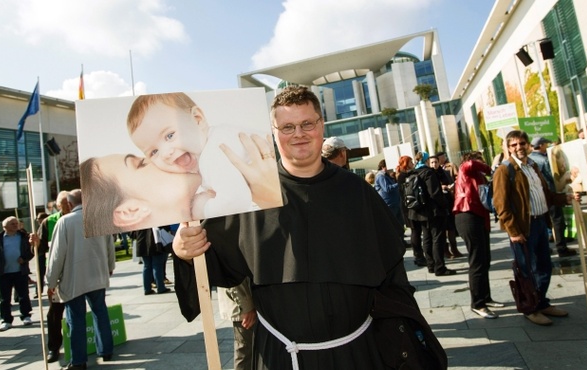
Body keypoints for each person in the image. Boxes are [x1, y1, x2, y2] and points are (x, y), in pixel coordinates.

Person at [172, 86, 446, 369]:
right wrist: (183, 250)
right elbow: (211, 264)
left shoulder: (357, 192)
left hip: (357, 354)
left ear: (321, 125)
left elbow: (393, 278)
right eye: (287, 126)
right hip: (280, 355)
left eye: (307, 124)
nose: (298, 134)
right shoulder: (247, 194)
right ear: (273, 132)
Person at [80, 134, 282, 237]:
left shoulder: (224, 165)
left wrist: (273, 193)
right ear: (130, 211)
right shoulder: (208, 221)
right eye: (142, 162)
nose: (159, 157)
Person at [127, 92, 275, 219]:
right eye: (154, 152)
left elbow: (235, 202)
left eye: (170, 135)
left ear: (197, 119)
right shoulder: (214, 141)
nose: (165, 153)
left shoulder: (213, 153)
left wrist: (201, 208)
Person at [493, 130, 576, 326]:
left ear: (528, 145)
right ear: (508, 148)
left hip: (540, 223)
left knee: (544, 266)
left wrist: (566, 198)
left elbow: (545, 194)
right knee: (526, 271)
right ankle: (530, 308)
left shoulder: (533, 166)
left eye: (522, 143)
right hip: (523, 227)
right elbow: (501, 205)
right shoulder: (504, 170)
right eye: (514, 145)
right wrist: (513, 232)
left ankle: (542, 302)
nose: (519, 147)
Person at [45, 189, 116, 369]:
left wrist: (51, 282)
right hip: (96, 274)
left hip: (74, 277)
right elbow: (110, 246)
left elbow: (56, 256)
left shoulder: (65, 222)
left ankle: (78, 361)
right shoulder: (98, 218)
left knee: (75, 318)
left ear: (69, 204)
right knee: (100, 311)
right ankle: (106, 350)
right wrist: (109, 267)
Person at [453, 152, 504, 319]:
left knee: (485, 259)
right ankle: (477, 303)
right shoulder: (466, 169)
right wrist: (491, 168)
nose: (482, 162)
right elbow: (470, 165)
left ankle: (485, 297)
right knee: (477, 261)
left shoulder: (477, 175)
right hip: (467, 215)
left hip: (480, 217)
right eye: (480, 159)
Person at [37, 191, 72, 363]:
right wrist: (34, 244)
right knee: (54, 314)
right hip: (58, 277)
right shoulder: (48, 222)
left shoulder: (80, 218)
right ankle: (54, 348)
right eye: (64, 204)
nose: (68, 206)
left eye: (70, 203)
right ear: (58, 206)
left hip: (77, 272)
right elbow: (38, 251)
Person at [528, 137, 577, 257]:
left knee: (543, 221)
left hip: (537, 195)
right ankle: (561, 247)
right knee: (557, 220)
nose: (547, 146)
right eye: (545, 144)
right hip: (550, 192)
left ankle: (545, 248)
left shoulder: (529, 159)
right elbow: (553, 177)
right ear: (541, 145)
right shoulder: (544, 160)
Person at [408, 154, 456, 276]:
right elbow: (434, 193)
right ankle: (439, 267)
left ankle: (431, 265)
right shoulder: (429, 173)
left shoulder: (414, 173)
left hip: (419, 211)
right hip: (433, 211)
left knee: (427, 238)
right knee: (438, 238)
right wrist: (445, 203)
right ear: (427, 161)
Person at [0, 216, 35, 332]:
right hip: (3, 272)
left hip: (20, 271)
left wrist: (24, 258)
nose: (16, 225)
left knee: (23, 294)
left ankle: (26, 315)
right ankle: (6, 320)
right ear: (4, 227)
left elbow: (31, 251)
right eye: (12, 224)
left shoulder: (23, 237)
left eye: (16, 223)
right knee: (4, 298)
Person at [429, 155, 463, 259]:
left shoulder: (444, 173)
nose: (434, 164)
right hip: (437, 204)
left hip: (448, 200)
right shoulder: (429, 175)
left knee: (451, 227)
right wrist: (440, 187)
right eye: (432, 163)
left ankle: (454, 248)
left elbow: (451, 182)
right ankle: (445, 250)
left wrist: (450, 187)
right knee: (442, 229)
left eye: (436, 162)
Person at [218, 278, 256, 370]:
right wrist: (246, 306)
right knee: (246, 352)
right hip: (244, 303)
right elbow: (232, 272)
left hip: (248, 300)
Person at [396, 155, 427, 266]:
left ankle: (419, 255)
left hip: (408, 206)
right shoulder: (405, 176)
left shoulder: (402, 176)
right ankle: (418, 255)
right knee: (416, 231)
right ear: (406, 163)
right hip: (410, 207)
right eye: (410, 162)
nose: (413, 163)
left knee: (416, 231)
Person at [134, 228, 171, 295]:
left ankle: (147, 289)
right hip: (155, 241)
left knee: (147, 266)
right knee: (157, 265)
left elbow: (132, 233)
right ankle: (160, 287)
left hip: (142, 242)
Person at [375, 159, 404, 225]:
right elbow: (387, 188)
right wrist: (398, 184)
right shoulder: (381, 176)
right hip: (389, 203)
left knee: (399, 222)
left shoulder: (386, 175)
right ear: (383, 167)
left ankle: (400, 234)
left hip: (394, 202)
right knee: (393, 222)